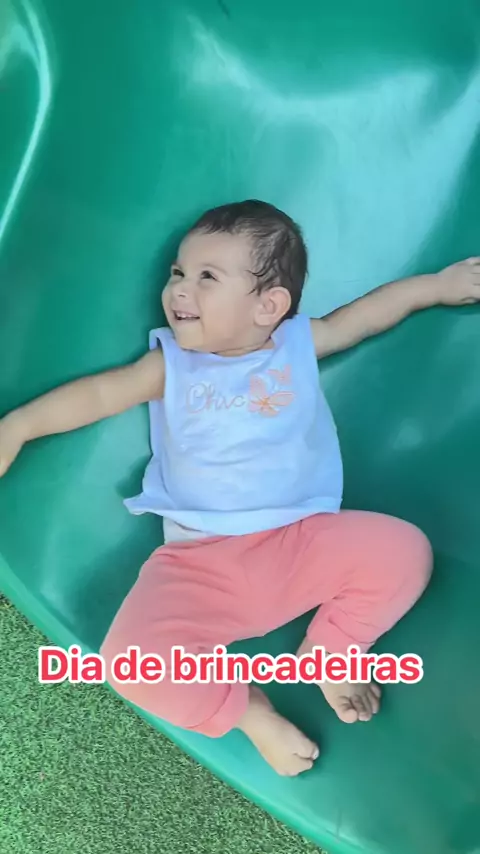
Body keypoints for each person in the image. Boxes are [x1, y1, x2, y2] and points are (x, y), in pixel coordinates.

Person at [1, 200, 479, 776]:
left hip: (300, 540)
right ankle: (249, 712)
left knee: (403, 550)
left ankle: (331, 651)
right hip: (199, 564)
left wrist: (436, 286)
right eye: (178, 272)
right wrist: (18, 427)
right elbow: (100, 394)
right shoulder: (173, 365)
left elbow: (367, 315)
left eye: (207, 277)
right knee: (129, 666)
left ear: (267, 306)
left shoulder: (297, 344)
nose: (179, 289)